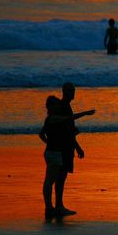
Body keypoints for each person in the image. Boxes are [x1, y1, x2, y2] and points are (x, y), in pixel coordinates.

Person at [40, 82, 95, 218]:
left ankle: (57, 206)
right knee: (59, 178)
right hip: (62, 149)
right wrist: (77, 146)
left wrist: (51, 143)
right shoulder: (62, 107)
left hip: (60, 147)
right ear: (65, 92)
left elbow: (62, 130)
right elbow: (67, 129)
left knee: (59, 178)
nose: (73, 93)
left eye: (74, 90)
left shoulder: (63, 106)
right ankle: (57, 207)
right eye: (71, 90)